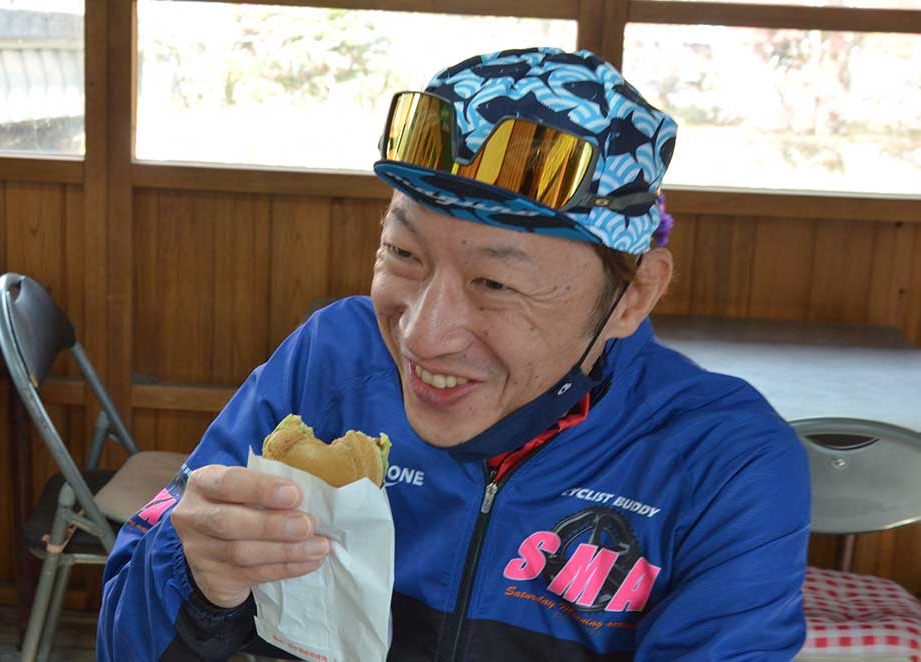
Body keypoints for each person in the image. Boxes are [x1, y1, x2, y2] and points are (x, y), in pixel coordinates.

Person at [98, 47, 810, 661]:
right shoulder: (330, 363)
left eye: (495, 284)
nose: (421, 334)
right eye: (403, 252)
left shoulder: (724, 461)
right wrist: (193, 574)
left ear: (632, 296)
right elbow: (123, 640)